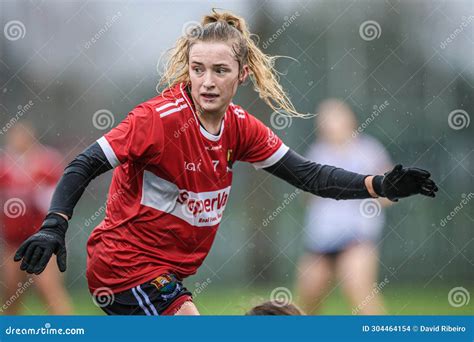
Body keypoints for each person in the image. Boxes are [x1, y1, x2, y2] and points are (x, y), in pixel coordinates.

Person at [13, 10, 438, 316]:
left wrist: (378, 185)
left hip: (167, 275)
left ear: (243, 74)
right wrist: (55, 224)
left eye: (220, 70)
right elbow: (83, 164)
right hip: (124, 266)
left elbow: (308, 175)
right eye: (198, 69)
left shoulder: (241, 127)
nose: (207, 81)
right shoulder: (157, 121)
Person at [296, 99, 393, 315]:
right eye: (325, 121)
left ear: (349, 121)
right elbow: (307, 196)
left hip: (357, 237)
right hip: (321, 239)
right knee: (308, 295)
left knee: (359, 292)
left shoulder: (368, 150)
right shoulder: (317, 153)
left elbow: (389, 193)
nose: (329, 125)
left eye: (334, 118)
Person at [0, 122, 73, 315]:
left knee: (49, 291)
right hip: (13, 242)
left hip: (41, 240)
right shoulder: (4, 167)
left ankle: (71, 332)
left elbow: (55, 201)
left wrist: (33, 188)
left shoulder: (46, 164)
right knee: (11, 295)